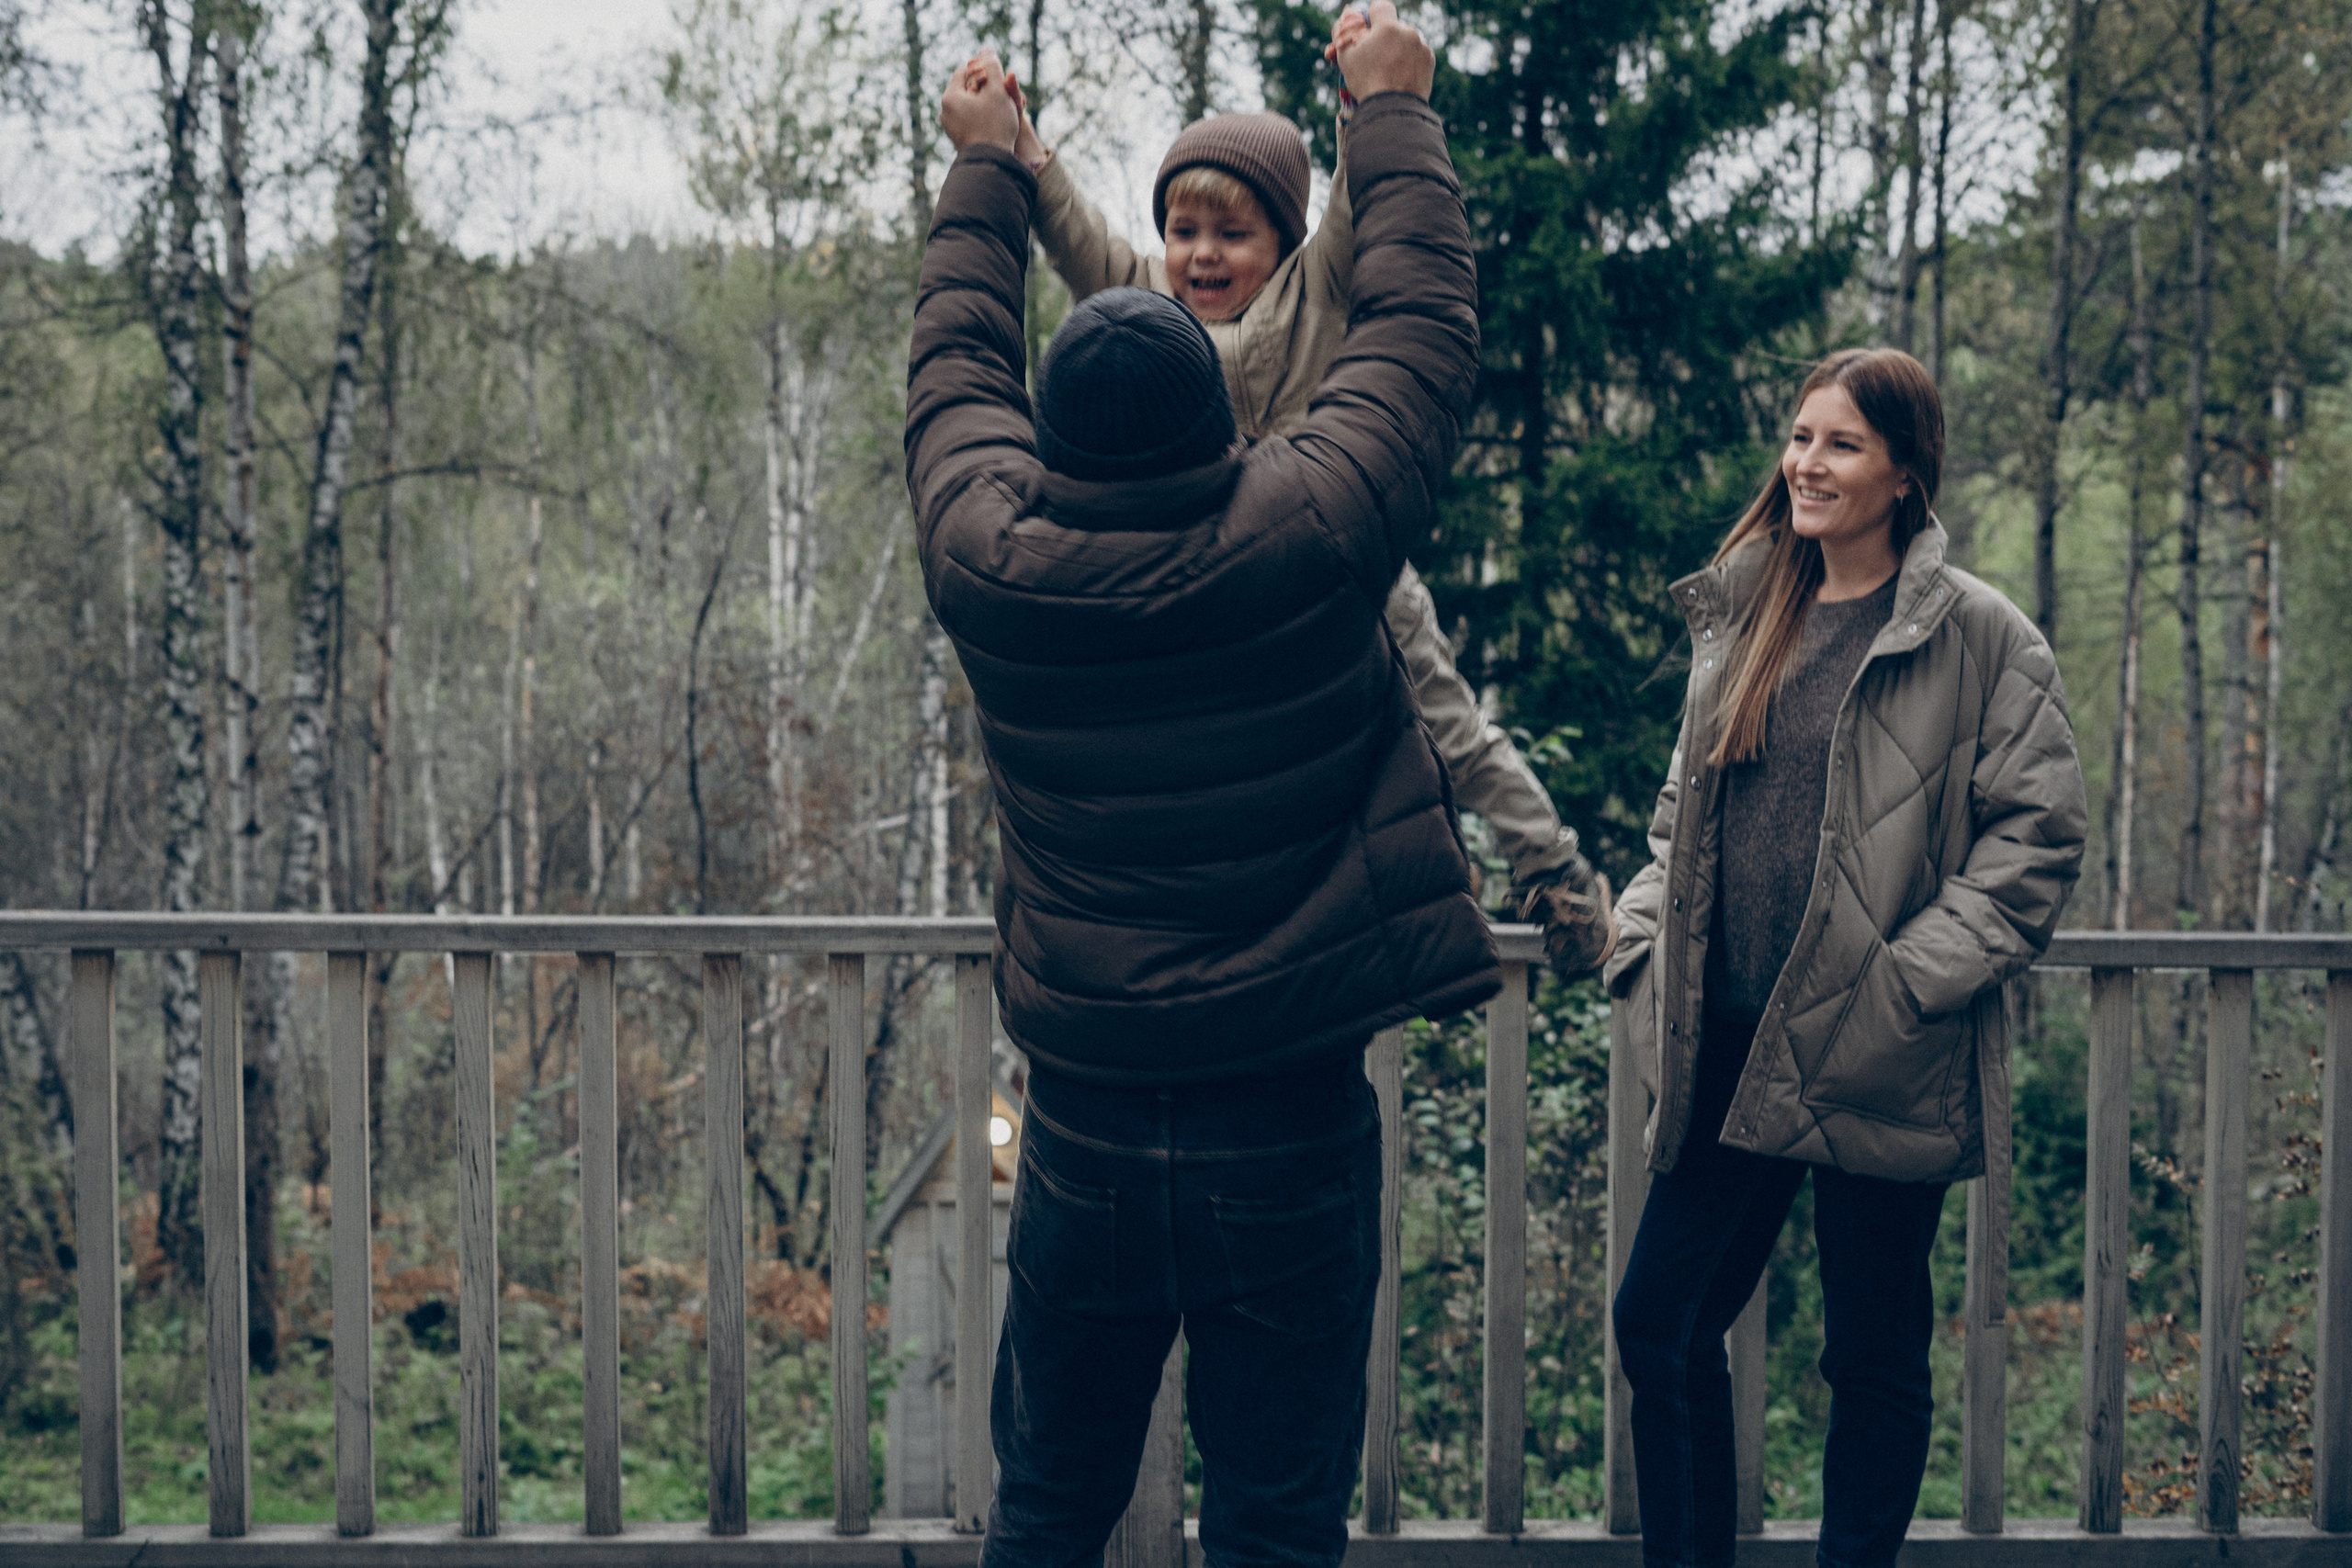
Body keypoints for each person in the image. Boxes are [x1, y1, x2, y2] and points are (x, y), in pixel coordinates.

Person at [909, 9, 1483, 1562]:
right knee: (1281, 1515)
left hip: (1085, 1132)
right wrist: (1393, 114)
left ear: (1048, 439)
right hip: (1290, 1123)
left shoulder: (990, 557)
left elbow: (954, 362)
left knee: (1047, 1501)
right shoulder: (1307, 531)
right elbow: (1418, 339)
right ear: (1213, 420)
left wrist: (983, 179)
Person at [995, 11, 1612, 976]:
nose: (1200, 254)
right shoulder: (1150, 309)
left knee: (1446, 727)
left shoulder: (1317, 289)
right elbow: (1077, 243)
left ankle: (1554, 872)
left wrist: (1363, 102)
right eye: (1181, 230)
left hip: (1342, 567)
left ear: (1282, 238)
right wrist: (1025, 153)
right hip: (1223, 598)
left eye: (1231, 234)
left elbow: (1361, 204)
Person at [1602, 348, 2086, 1568]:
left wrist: (1908, 983)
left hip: (1880, 1042)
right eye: (1802, 436)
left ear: (1905, 475)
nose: (1808, 463)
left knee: (1870, 1352)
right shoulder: (1749, 608)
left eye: (1844, 444)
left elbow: (2038, 841)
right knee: (1660, 1321)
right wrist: (1644, 933)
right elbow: (1681, 821)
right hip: (1730, 1038)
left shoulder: (1982, 635)